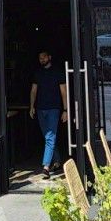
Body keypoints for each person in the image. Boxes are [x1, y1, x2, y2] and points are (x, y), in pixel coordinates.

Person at [29, 51, 67, 179]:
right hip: (40, 109)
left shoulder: (58, 72)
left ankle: (46, 167)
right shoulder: (38, 73)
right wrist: (32, 106)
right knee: (48, 137)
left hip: (54, 109)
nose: (42, 59)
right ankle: (57, 160)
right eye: (40, 58)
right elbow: (33, 91)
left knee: (50, 137)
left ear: (49, 57)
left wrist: (65, 110)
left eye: (44, 57)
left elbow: (64, 91)